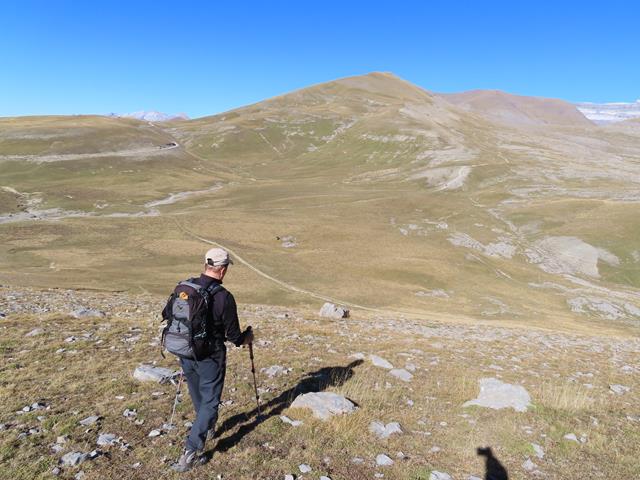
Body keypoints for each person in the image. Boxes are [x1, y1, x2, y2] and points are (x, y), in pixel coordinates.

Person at [172, 247, 254, 473]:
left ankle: (207, 426)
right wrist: (248, 338)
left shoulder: (186, 287)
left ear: (206, 265)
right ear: (223, 269)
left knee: (198, 395)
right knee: (210, 401)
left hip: (185, 351)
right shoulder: (224, 297)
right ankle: (191, 451)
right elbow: (235, 337)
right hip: (211, 357)